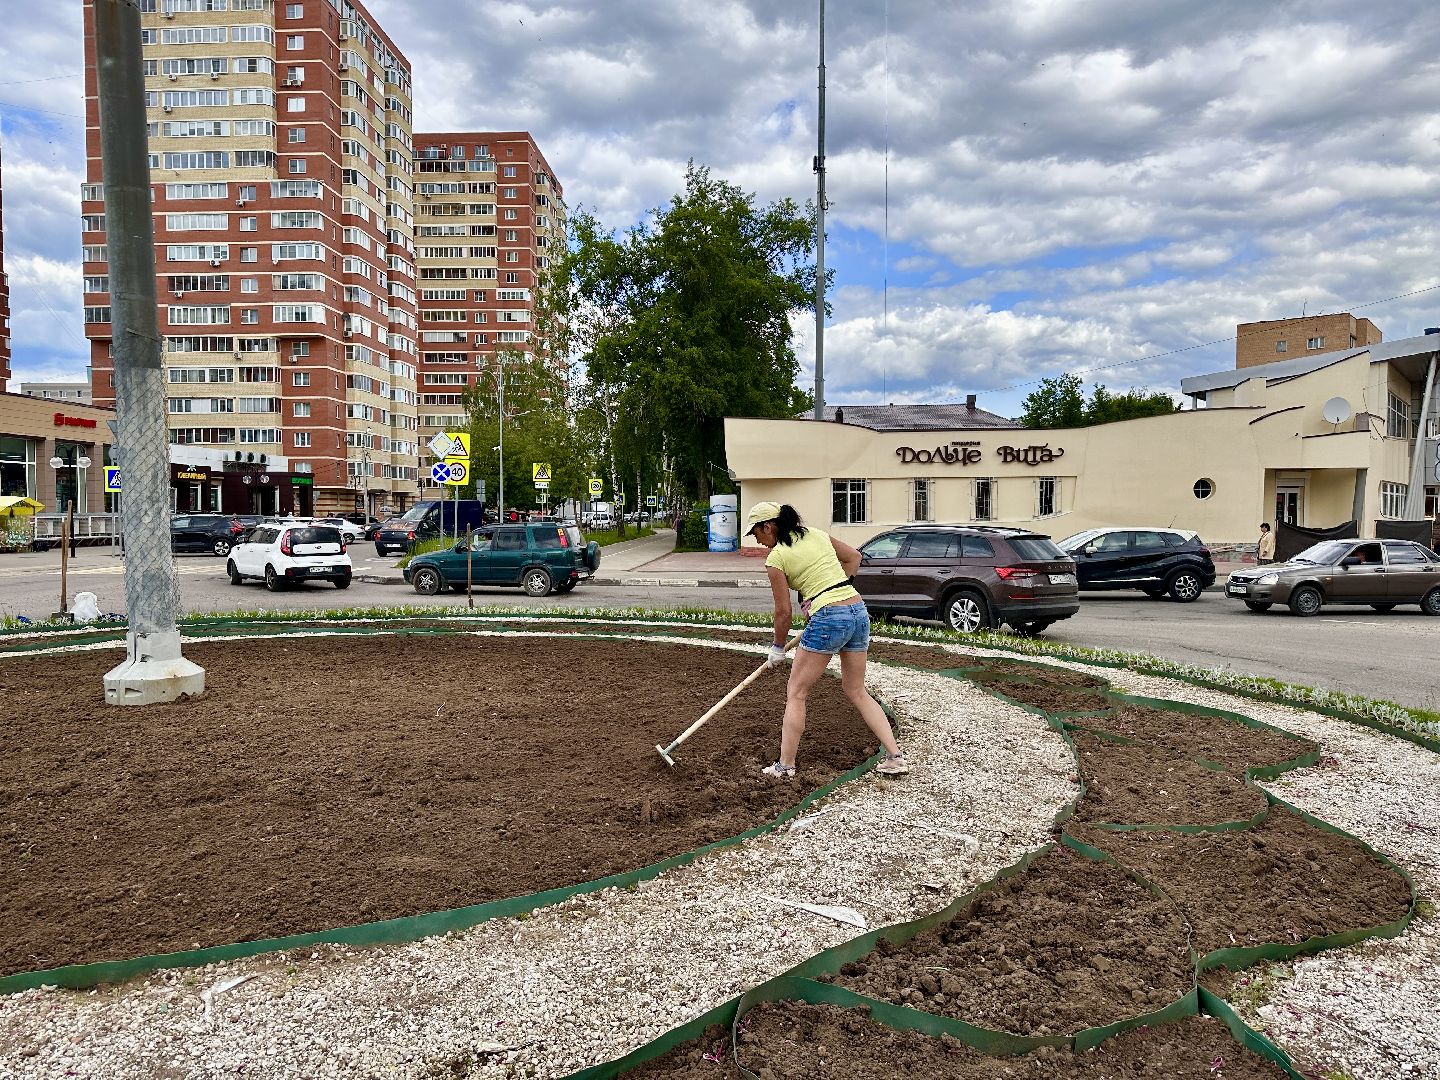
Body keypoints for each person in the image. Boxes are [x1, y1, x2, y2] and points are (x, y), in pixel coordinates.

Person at [745, 501, 909, 779]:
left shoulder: (776, 559)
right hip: (857, 611)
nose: (757, 540)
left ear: (768, 526)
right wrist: (833, 592)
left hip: (829, 617)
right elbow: (854, 557)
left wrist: (776, 648)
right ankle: (895, 757)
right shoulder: (816, 534)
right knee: (856, 690)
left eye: (756, 533)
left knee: (796, 693)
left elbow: (783, 612)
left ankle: (785, 766)